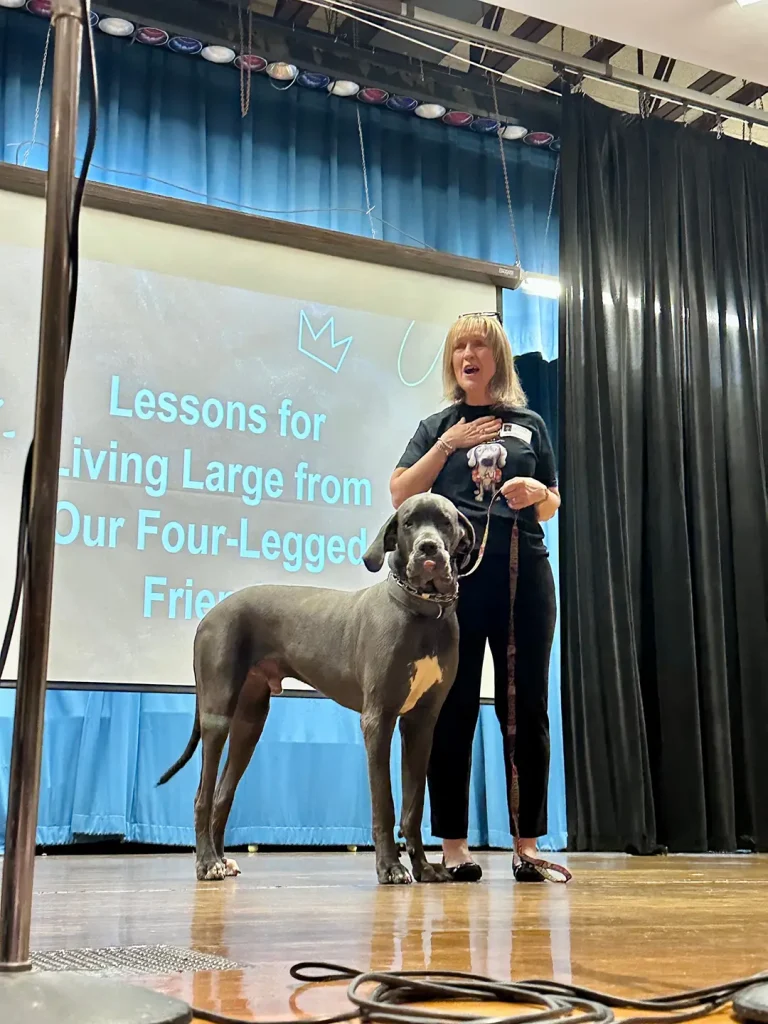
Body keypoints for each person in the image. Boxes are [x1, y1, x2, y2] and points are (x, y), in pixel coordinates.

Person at [390, 312, 569, 883]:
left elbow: (552, 503)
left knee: (527, 710)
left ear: (497, 358)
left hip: (524, 577)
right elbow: (400, 491)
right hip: (455, 584)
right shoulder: (437, 425)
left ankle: (527, 845)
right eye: (458, 347)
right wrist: (448, 444)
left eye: (479, 345)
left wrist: (539, 490)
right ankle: (453, 847)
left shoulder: (529, 423)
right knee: (450, 708)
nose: (468, 354)